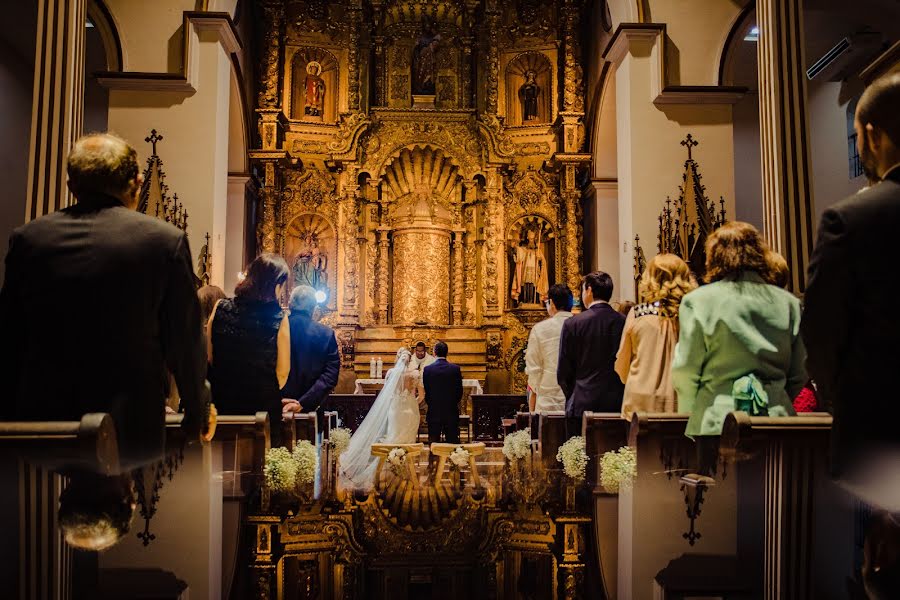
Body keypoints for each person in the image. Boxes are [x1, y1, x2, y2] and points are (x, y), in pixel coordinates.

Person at [0, 133, 211, 467]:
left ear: (72, 185)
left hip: (46, 421)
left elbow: (11, 335)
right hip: (131, 422)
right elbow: (185, 340)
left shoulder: (28, 239)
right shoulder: (164, 242)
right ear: (136, 183)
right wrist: (196, 412)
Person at [803, 73, 900, 478]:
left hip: (879, 431)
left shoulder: (852, 220)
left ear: (873, 135)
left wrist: (839, 398)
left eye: (857, 135)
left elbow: (821, 332)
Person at [671, 222, 806, 442]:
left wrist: (691, 413)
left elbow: (686, 369)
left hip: (716, 420)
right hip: (776, 421)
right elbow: (800, 370)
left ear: (714, 255)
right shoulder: (788, 304)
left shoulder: (698, 302)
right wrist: (775, 397)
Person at [208, 254, 290, 444]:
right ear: (275, 284)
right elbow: (283, 372)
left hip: (223, 401)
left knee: (222, 460)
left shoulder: (220, 307)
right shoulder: (279, 317)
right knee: (260, 463)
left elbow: (211, 357)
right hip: (262, 407)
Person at [615, 254, 696, 418]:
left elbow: (622, 365)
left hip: (641, 400)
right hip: (682, 399)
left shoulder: (638, 313)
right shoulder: (693, 313)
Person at [338, 348, 421, 490]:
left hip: (395, 410)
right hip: (411, 412)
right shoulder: (415, 374)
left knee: (392, 439)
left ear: (398, 358)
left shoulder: (391, 373)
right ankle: (404, 475)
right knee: (408, 441)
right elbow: (422, 395)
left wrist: (398, 401)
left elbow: (386, 395)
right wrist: (411, 402)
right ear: (410, 360)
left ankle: (386, 474)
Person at [558, 271, 625, 437]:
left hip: (581, 401)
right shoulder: (622, 321)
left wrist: (574, 394)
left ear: (588, 290)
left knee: (579, 459)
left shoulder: (573, 323)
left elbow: (564, 371)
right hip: (616, 402)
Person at [281, 285, 340, 415]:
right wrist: (303, 403)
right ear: (314, 308)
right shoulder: (326, 334)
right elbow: (330, 376)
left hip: (278, 408)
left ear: (290, 304)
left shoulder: (275, 329)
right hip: (311, 411)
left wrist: (278, 399)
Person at [525, 283, 574, 413]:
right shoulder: (582, 325)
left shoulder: (540, 329)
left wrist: (534, 394)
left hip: (548, 401)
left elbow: (534, 369)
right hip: (577, 400)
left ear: (551, 303)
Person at [423, 341, 463, 443]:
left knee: (433, 443)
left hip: (434, 411)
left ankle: (434, 459)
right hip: (451, 411)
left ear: (434, 353)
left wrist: (432, 404)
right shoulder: (455, 369)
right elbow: (459, 392)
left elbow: (427, 391)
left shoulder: (428, 369)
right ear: (447, 353)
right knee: (452, 443)